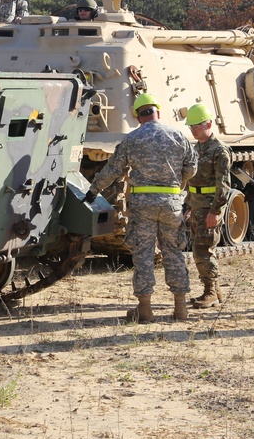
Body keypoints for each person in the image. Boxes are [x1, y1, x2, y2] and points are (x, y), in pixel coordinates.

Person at [83, 93, 197, 323]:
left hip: (142, 204)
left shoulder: (132, 139)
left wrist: (93, 190)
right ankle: (180, 309)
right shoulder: (177, 135)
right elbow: (192, 167)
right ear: (158, 112)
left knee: (143, 254)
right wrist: (177, 183)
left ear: (137, 116)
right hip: (172, 204)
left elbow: (113, 170)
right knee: (173, 252)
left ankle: (145, 310)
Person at [183, 104, 231, 308]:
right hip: (196, 205)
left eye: (197, 126)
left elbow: (224, 185)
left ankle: (210, 292)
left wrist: (215, 211)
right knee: (199, 249)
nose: (193, 130)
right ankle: (215, 291)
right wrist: (188, 205)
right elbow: (192, 182)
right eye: (191, 126)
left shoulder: (219, 150)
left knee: (203, 250)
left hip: (209, 208)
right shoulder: (197, 149)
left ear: (209, 124)